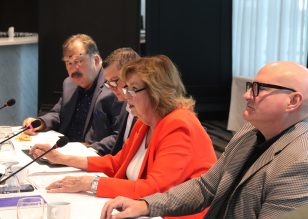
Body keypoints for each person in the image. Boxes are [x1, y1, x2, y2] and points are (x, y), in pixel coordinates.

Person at [100, 61, 308, 219]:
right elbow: (205, 186)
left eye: (259, 89)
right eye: (249, 86)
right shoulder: (248, 132)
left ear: (293, 101)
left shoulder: (300, 161)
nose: (246, 96)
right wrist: (146, 205)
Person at [30, 55, 217, 219]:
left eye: (133, 89)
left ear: (157, 91)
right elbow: (117, 164)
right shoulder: (145, 122)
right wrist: (62, 158)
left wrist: (91, 183)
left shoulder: (179, 124)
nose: (126, 95)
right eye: (126, 87)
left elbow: (156, 190)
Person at [22, 34, 124, 155]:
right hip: (63, 151)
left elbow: (119, 136)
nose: (73, 69)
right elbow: (58, 114)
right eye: (68, 63)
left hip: (91, 157)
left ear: (96, 60)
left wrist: (86, 151)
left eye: (78, 61)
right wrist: (40, 122)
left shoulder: (113, 88)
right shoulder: (69, 84)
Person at [103, 48, 140, 155]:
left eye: (115, 81)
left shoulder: (147, 112)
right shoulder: (126, 104)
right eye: (108, 83)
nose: (111, 88)